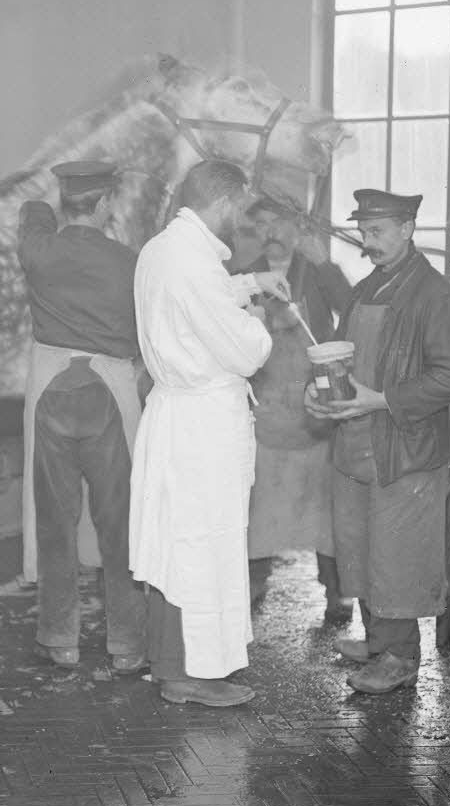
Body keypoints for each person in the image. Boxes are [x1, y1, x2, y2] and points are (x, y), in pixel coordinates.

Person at [129, 159, 292, 707]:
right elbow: (244, 350)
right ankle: (185, 673)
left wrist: (249, 283)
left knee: (179, 545)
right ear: (222, 202)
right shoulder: (193, 265)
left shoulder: (164, 250)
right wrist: (259, 321)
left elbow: (200, 303)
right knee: (198, 546)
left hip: (180, 414)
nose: (241, 221)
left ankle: (176, 663)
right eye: (240, 209)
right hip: (201, 428)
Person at [304, 188, 450, 694]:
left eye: (377, 232)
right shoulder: (366, 287)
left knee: (397, 556)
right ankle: (378, 639)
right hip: (358, 441)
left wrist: (379, 400)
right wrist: (317, 391)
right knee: (362, 546)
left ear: (407, 229)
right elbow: (338, 355)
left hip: (405, 449)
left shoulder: (435, 295)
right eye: (364, 232)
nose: (367, 242)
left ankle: (399, 657)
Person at [18, 160, 148, 673]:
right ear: (106, 204)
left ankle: (59, 638)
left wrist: (43, 201)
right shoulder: (129, 261)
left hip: (51, 392)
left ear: (65, 202)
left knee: (56, 520)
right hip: (110, 395)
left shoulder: (38, 249)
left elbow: (30, 214)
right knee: (119, 522)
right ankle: (127, 644)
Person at [233, 197, 354, 623]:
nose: (271, 232)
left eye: (278, 223)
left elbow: (352, 309)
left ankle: (335, 591)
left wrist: (326, 266)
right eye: (262, 224)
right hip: (265, 407)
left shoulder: (315, 270)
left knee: (323, 502)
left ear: (295, 227)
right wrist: (268, 323)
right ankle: (253, 581)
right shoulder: (244, 276)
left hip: (313, 406)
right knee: (257, 500)